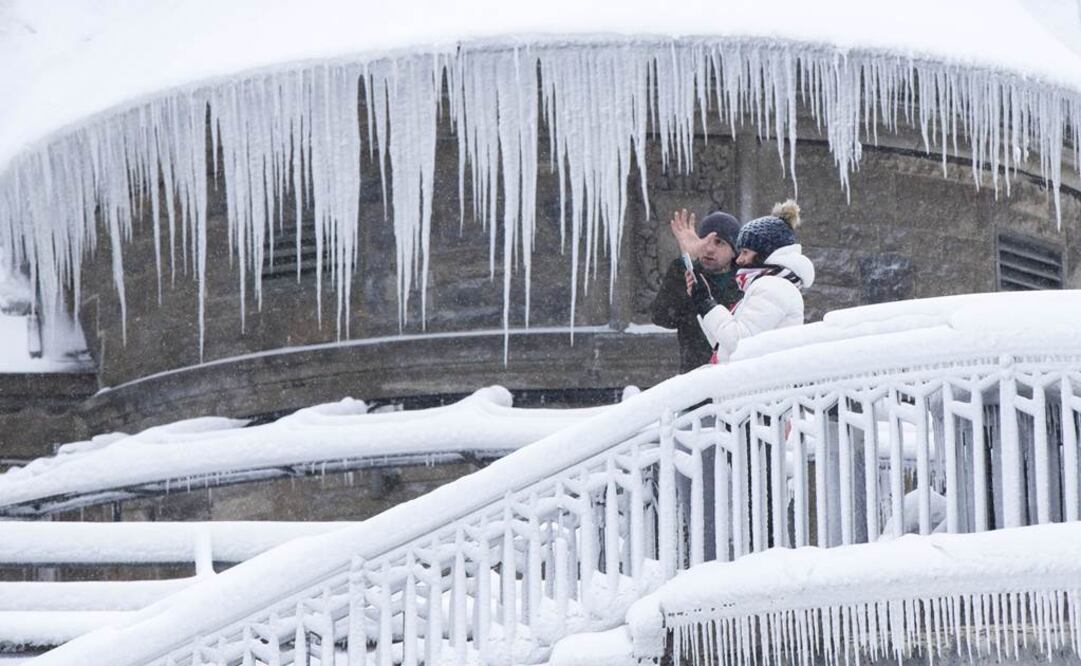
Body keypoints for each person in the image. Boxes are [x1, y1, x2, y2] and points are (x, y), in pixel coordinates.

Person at [672, 199, 815, 363]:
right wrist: (703, 303)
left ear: (765, 253)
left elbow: (740, 343)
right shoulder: (768, 284)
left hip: (758, 382)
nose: (739, 260)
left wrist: (707, 304)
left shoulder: (773, 287)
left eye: (745, 252)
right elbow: (722, 343)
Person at [650, 210, 743, 373]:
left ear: (734, 251)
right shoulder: (687, 273)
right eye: (704, 241)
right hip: (695, 380)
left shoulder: (745, 282)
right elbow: (662, 317)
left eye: (719, 242)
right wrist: (686, 263)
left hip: (735, 379)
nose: (709, 249)